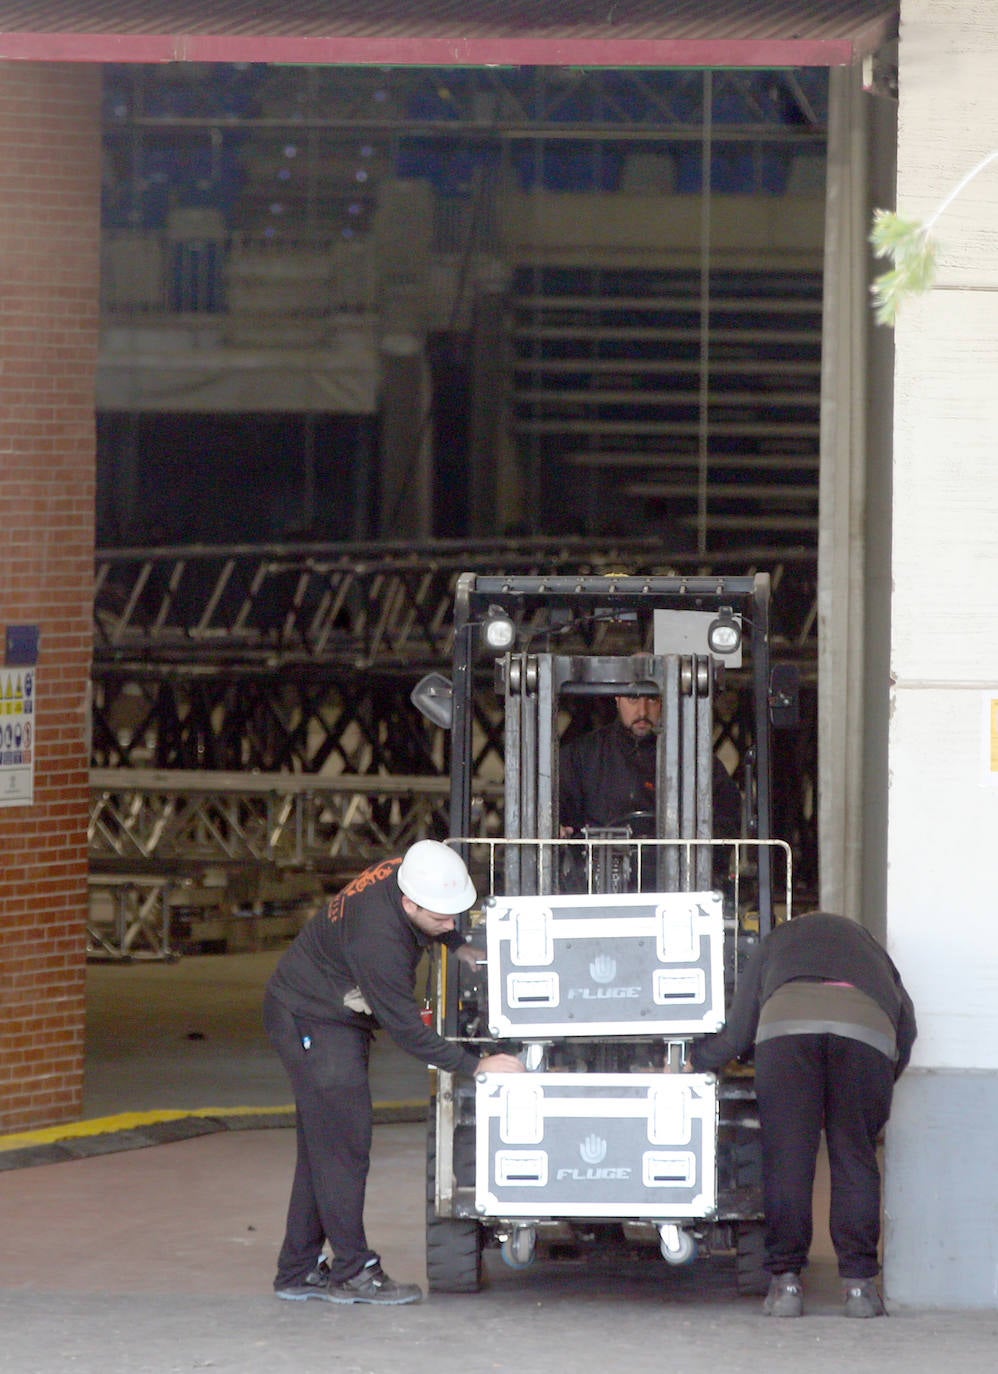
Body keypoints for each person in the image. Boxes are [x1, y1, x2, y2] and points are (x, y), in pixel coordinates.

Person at [263, 840, 524, 1306]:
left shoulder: (412, 871)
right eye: (443, 919)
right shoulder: (378, 941)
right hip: (313, 1019)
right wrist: (477, 1065)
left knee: (325, 1149)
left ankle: (297, 1270)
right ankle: (353, 1271)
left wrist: (457, 945)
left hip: (326, 1011)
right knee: (345, 1147)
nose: (451, 923)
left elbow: (437, 917)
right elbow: (407, 1032)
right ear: (409, 903)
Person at [686, 911, 917, 1319]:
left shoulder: (775, 942)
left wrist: (693, 1060)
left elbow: (739, 1032)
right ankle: (860, 1289)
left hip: (787, 1029)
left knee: (788, 1159)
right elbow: (907, 1025)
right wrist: (882, 1080)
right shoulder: (870, 947)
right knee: (854, 1157)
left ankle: (786, 1284)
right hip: (866, 1037)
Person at [559, 692, 741, 839]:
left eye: (652, 699)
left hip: (675, 877)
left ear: (663, 700)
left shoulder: (693, 760)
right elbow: (557, 812)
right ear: (617, 698)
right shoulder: (582, 755)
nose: (642, 712)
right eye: (633, 698)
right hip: (596, 875)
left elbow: (727, 817)